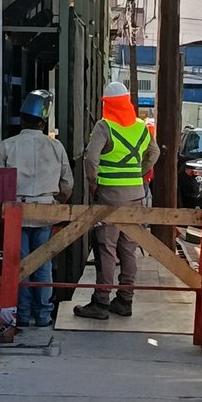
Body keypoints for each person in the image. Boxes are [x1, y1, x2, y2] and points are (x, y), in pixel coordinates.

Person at [74, 81, 160, 321]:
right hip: (135, 195)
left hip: (110, 195)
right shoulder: (142, 127)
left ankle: (101, 302)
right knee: (128, 247)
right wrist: (139, 173)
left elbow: (91, 159)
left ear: (107, 104)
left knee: (106, 248)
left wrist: (94, 182)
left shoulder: (105, 126)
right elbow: (154, 154)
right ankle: (125, 300)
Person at [0, 90, 73, 328]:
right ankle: (43, 316)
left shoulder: (7, 146)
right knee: (43, 264)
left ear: (22, 119)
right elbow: (67, 183)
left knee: (19, 264)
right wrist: (57, 200)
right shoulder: (56, 147)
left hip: (17, 212)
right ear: (43, 121)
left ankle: (22, 314)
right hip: (46, 210)